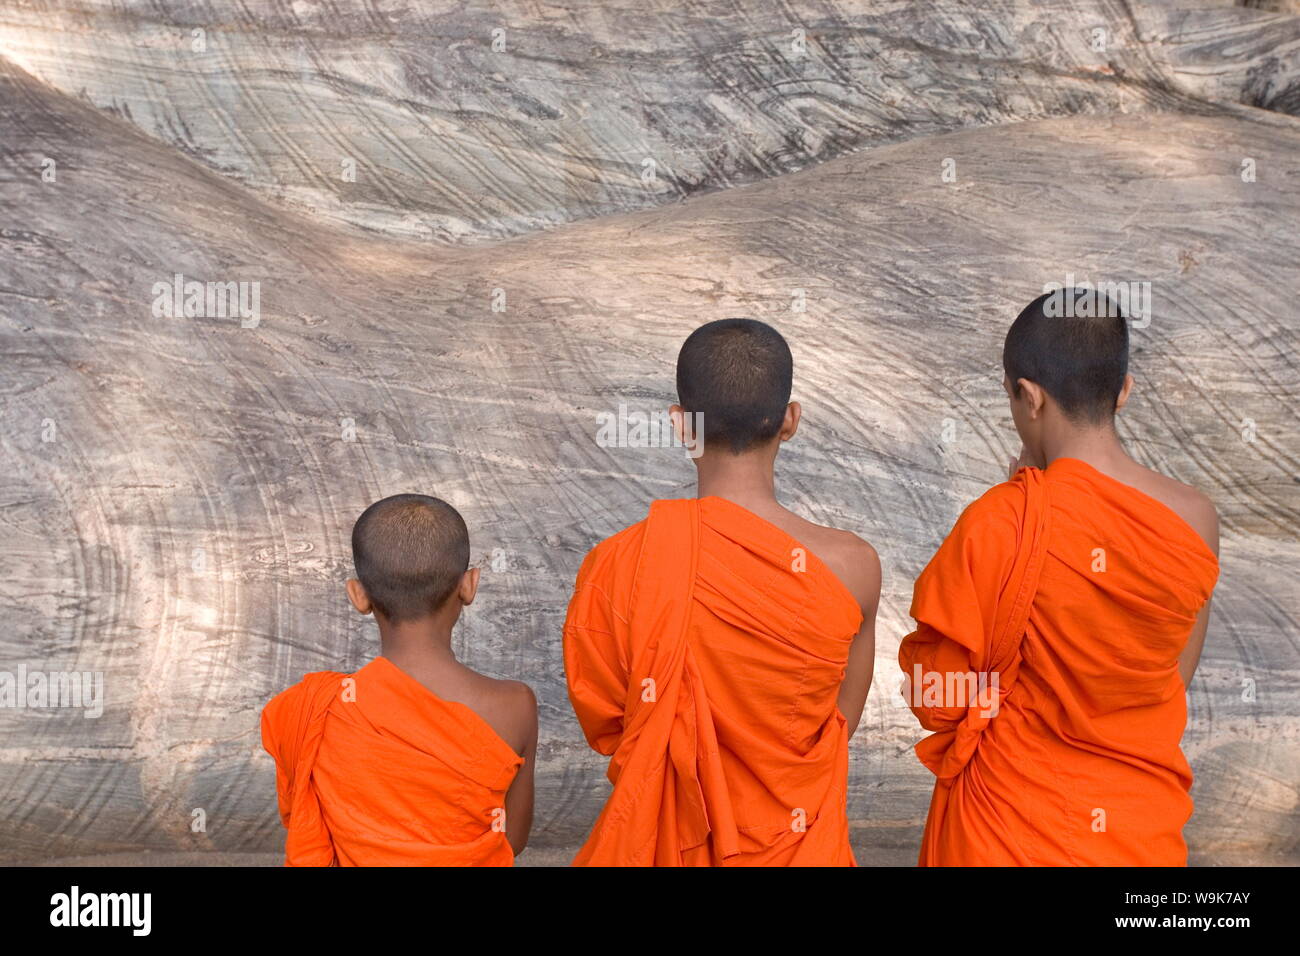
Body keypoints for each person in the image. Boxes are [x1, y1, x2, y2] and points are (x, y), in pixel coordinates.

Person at [900, 289, 1219, 865]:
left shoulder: (1002, 520)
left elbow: (933, 699)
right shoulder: (1194, 517)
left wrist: (1028, 513)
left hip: (1007, 827)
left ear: (1028, 397)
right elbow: (1172, 675)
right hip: (1134, 827)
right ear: (1122, 391)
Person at [564, 318, 881, 866]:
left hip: (666, 843)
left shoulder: (617, 565)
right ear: (789, 421)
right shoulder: (852, 566)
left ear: (682, 425)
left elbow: (612, 723)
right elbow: (838, 724)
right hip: (798, 844)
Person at [262, 494, 537, 865]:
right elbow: (512, 839)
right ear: (469, 585)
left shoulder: (317, 710)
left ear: (358, 596)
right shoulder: (514, 705)